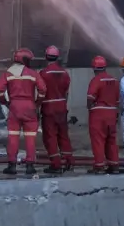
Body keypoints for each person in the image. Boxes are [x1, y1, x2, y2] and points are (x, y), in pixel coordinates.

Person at [0, 48, 45, 177]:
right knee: (30, 138)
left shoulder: (8, 73)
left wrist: (4, 102)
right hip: (29, 106)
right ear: (25, 60)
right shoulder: (33, 73)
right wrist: (37, 104)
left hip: (14, 107)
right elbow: (43, 90)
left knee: (13, 137)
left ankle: (12, 165)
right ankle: (30, 166)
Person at [40, 45, 74, 173]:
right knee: (63, 135)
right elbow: (66, 92)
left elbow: (41, 92)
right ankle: (69, 161)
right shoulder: (64, 73)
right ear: (57, 57)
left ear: (46, 57)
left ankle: (56, 164)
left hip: (49, 107)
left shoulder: (43, 74)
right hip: (62, 107)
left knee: (50, 136)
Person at [85, 55, 120, 175]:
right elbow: (118, 100)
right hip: (112, 113)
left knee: (98, 140)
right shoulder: (114, 80)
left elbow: (90, 98)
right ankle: (114, 165)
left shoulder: (96, 80)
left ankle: (99, 166)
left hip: (99, 114)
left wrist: (89, 107)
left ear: (94, 68)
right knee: (111, 140)